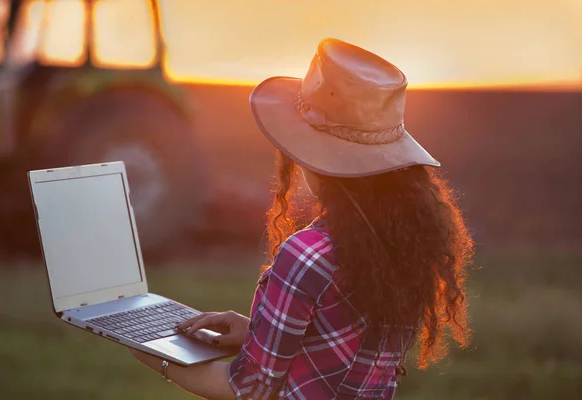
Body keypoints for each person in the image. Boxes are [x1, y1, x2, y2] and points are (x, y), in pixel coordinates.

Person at [130, 38, 474, 399]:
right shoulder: (403, 242)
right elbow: (342, 350)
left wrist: (151, 350)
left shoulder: (308, 255)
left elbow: (247, 389)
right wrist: (255, 333)